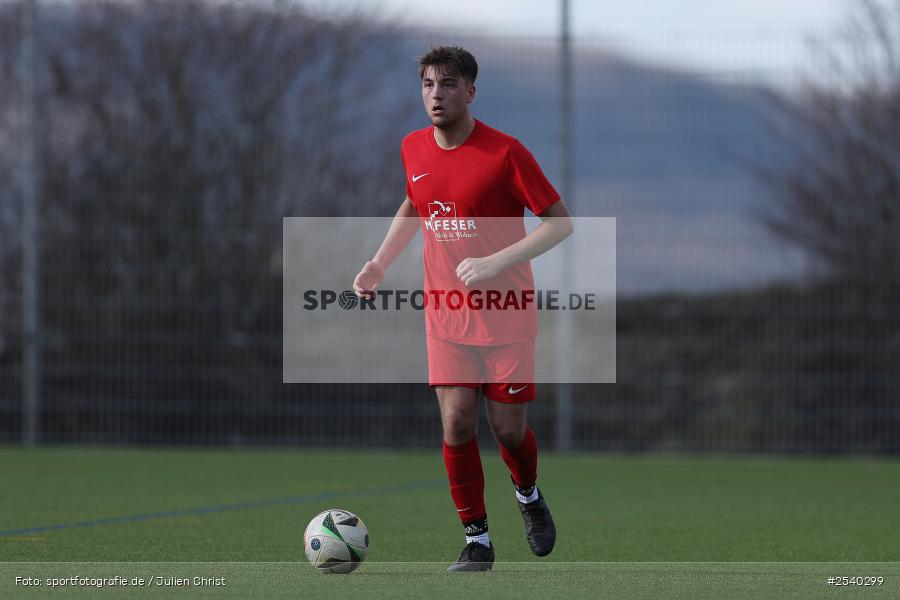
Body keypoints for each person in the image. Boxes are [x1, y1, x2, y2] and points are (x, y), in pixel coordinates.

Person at [353, 45, 573, 572]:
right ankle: (477, 541)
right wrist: (379, 263)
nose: (437, 95)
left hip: (506, 313)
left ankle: (528, 494)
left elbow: (559, 223)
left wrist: (497, 261)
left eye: (448, 84)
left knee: (508, 430)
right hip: (446, 314)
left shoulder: (506, 153)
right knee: (455, 425)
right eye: (428, 84)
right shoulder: (412, 147)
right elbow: (415, 204)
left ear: (471, 92)